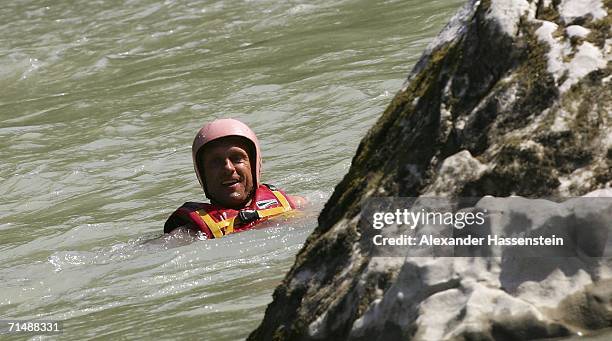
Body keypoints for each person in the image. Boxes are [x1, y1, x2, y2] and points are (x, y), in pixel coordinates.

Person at [164, 118, 306, 239]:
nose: (228, 168)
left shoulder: (290, 204)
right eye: (215, 162)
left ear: (254, 164)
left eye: (237, 158)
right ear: (202, 175)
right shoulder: (191, 233)